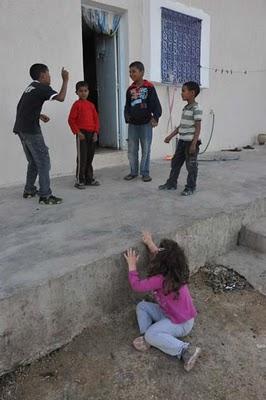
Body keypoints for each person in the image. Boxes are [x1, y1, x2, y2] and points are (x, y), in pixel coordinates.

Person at [124, 231, 201, 372]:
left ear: (162, 262)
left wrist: (132, 266)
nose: (156, 252)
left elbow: (137, 286)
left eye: (158, 251)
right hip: (171, 314)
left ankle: (185, 350)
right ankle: (149, 338)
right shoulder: (173, 271)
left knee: (151, 334)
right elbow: (159, 254)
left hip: (181, 324)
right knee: (142, 306)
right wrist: (149, 242)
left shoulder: (160, 279)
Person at [13, 63, 69, 205]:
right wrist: (65, 79)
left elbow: (21, 107)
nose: (50, 77)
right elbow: (61, 98)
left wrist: (38, 115)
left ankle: (29, 190)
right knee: (43, 162)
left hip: (21, 128)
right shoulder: (42, 88)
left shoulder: (30, 87)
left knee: (33, 161)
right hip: (31, 130)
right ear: (43, 74)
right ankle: (45, 196)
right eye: (49, 74)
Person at [159, 81, 202, 196]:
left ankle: (191, 187)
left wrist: (194, 144)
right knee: (175, 163)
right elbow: (181, 126)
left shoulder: (196, 108)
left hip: (191, 143)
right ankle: (171, 183)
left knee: (191, 166)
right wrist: (170, 136)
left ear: (192, 93)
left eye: (183, 91)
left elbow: (198, 127)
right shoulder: (186, 108)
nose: (181, 93)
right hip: (182, 142)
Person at [124, 61, 162, 182]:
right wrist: (127, 117)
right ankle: (133, 172)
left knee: (146, 148)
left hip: (146, 124)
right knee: (132, 149)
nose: (131, 74)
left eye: (133, 71)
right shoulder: (130, 89)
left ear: (142, 72)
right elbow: (127, 106)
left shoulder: (149, 87)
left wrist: (155, 117)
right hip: (133, 125)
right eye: (130, 72)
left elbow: (156, 105)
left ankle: (145, 172)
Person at [68, 81, 100, 189]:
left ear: (88, 92)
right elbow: (71, 120)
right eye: (80, 91)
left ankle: (89, 179)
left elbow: (96, 120)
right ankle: (79, 180)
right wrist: (77, 132)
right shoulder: (76, 105)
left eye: (85, 91)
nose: (83, 93)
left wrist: (96, 132)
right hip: (81, 134)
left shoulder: (91, 105)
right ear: (76, 92)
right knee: (82, 158)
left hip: (92, 134)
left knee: (90, 157)